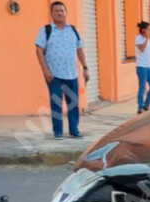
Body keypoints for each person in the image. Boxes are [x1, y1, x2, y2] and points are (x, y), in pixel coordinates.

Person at [35, 1, 89, 139]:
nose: (59, 13)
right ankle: (58, 131)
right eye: (56, 11)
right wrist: (45, 70)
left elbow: (80, 49)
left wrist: (85, 67)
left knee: (73, 103)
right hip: (54, 75)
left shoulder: (73, 30)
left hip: (71, 73)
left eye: (61, 10)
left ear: (66, 13)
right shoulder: (46, 30)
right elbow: (39, 50)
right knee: (56, 103)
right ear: (51, 13)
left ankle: (74, 130)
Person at [134, 21, 150, 114]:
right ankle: (140, 107)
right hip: (141, 67)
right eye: (149, 30)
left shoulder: (148, 40)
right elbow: (142, 49)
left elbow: (148, 55)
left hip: (148, 67)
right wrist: (146, 38)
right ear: (143, 30)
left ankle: (146, 105)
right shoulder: (138, 38)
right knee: (142, 88)